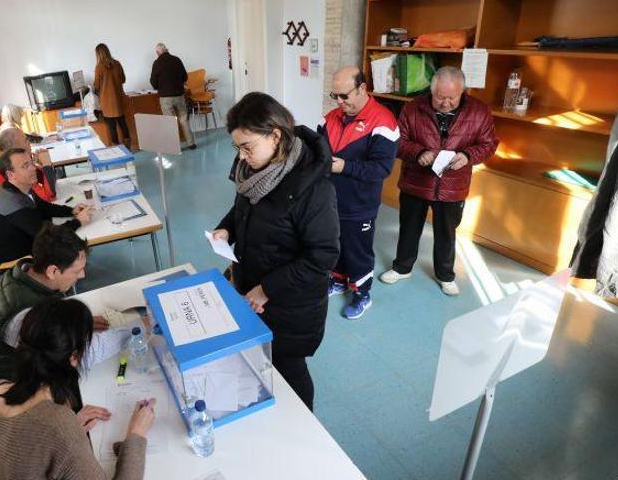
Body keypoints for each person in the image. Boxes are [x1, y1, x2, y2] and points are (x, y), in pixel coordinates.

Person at [211, 92, 340, 410]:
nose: (241, 156)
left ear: (275, 136)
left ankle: (306, 427)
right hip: (254, 290)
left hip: (291, 305)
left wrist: (267, 288)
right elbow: (244, 207)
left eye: (247, 146)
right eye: (237, 147)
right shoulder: (255, 171)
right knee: (260, 359)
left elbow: (322, 256)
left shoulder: (314, 189)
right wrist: (227, 227)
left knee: (290, 368)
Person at [0, 296, 155, 480]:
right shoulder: (59, 427)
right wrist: (136, 433)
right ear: (74, 357)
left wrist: (70, 429)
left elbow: (14, 450)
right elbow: (46, 434)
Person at [379, 66, 498, 295]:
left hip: (453, 186)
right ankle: (402, 268)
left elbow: (489, 144)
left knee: (447, 232)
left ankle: (445, 275)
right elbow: (398, 140)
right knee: (409, 228)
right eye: (439, 97)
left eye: (451, 98)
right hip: (416, 181)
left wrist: (467, 156)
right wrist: (418, 152)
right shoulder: (413, 108)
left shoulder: (479, 111)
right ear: (431, 91)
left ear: (462, 92)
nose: (445, 103)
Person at [318, 66, 398, 320]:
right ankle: (340, 281)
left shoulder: (384, 121)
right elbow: (318, 151)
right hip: (330, 200)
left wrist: (344, 166)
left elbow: (381, 168)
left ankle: (363, 294)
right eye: (335, 96)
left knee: (358, 251)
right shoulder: (330, 117)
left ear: (362, 88)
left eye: (345, 96)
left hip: (360, 204)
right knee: (336, 244)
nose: (340, 103)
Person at [0, 225, 109, 381]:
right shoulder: (25, 313)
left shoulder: (25, 273)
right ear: (52, 271)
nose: (82, 275)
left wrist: (78, 325)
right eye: (77, 271)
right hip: (19, 384)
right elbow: (59, 360)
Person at [0, 148, 92, 268]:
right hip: (19, 265)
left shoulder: (19, 187)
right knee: (77, 251)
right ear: (11, 174)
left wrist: (71, 210)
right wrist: (78, 221)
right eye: (25, 166)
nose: (33, 168)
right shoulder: (14, 205)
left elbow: (44, 207)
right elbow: (49, 238)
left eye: (31, 162)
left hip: (31, 244)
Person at [0, 135, 56, 215]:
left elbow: (45, 185)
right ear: (15, 150)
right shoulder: (16, 172)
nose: (29, 143)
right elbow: (48, 197)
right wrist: (46, 164)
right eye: (25, 141)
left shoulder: (12, 164)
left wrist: (42, 165)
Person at [149, 42, 195, 149]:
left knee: (170, 122)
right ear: (166, 49)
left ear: (157, 52)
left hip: (165, 98)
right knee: (184, 119)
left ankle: (175, 147)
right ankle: (191, 143)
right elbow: (185, 77)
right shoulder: (176, 60)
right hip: (179, 95)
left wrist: (158, 87)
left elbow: (153, 82)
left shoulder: (156, 63)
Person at [93, 43, 130, 146]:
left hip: (106, 102)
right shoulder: (117, 64)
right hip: (119, 99)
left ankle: (117, 150)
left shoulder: (99, 67)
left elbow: (97, 86)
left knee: (112, 126)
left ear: (98, 54)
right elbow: (123, 79)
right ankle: (128, 147)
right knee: (123, 123)